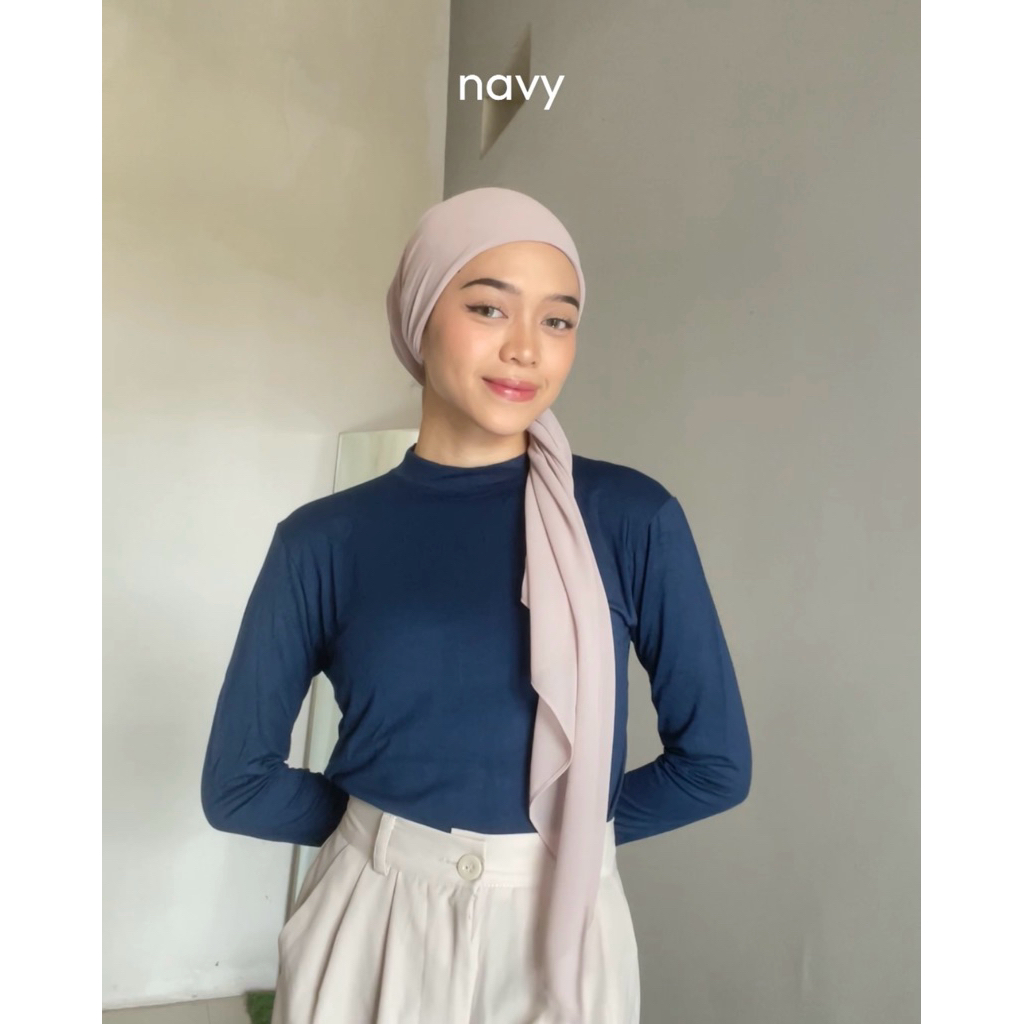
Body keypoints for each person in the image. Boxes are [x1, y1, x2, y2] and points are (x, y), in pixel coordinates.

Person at [201, 187, 752, 1024]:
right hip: (371, 923)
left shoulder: (631, 518)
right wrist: (384, 838)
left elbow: (715, 767)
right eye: (489, 307)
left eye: (558, 320)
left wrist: (566, 832)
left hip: (564, 924)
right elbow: (237, 786)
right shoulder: (322, 539)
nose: (525, 348)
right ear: (421, 314)